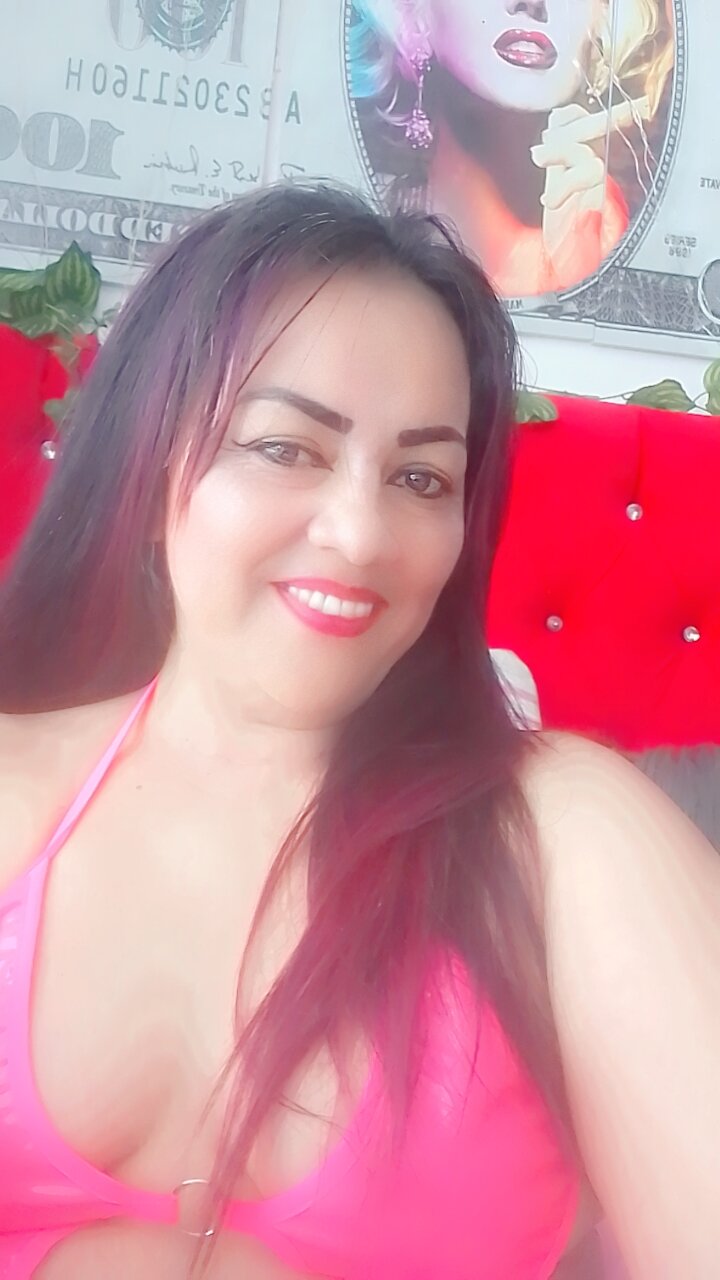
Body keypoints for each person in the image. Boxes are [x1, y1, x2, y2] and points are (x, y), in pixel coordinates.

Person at [0, 183, 716, 1280]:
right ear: (152, 459)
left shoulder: (560, 837)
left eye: (421, 477)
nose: (359, 533)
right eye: (287, 448)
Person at [349, 0, 675, 295]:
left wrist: (575, 271)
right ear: (414, 12)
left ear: (604, 18)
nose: (531, 3)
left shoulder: (602, 237)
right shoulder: (357, 223)